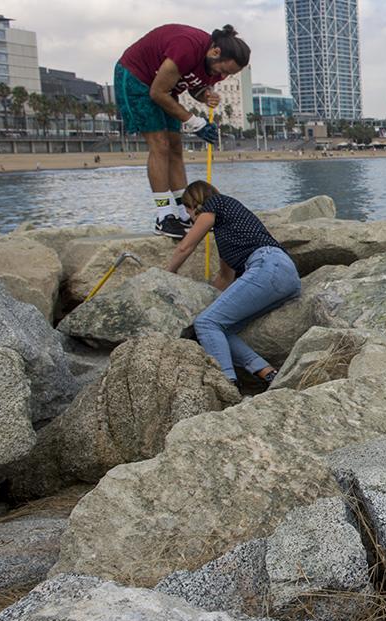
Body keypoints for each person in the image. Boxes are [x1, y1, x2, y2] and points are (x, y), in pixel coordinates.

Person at [115, 25, 250, 239]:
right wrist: (196, 123)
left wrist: (206, 95)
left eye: (229, 74)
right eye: (223, 70)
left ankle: (182, 210)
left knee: (176, 147)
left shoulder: (215, 64)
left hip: (165, 88)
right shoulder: (187, 47)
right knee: (160, 145)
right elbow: (157, 92)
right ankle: (164, 216)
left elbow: (193, 86)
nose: (223, 76)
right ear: (215, 52)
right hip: (136, 78)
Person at [165, 180, 298, 387]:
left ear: (194, 204)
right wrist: (204, 306)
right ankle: (267, 373)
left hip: (267, 265)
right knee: (219, 327)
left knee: (206, 323)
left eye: (187, 210)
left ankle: (227, 384)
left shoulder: (216, 203)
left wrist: (167, 275)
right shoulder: (228, 231)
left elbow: (185, 247)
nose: (189, 218)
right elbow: (224, 279)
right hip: (285, 275)